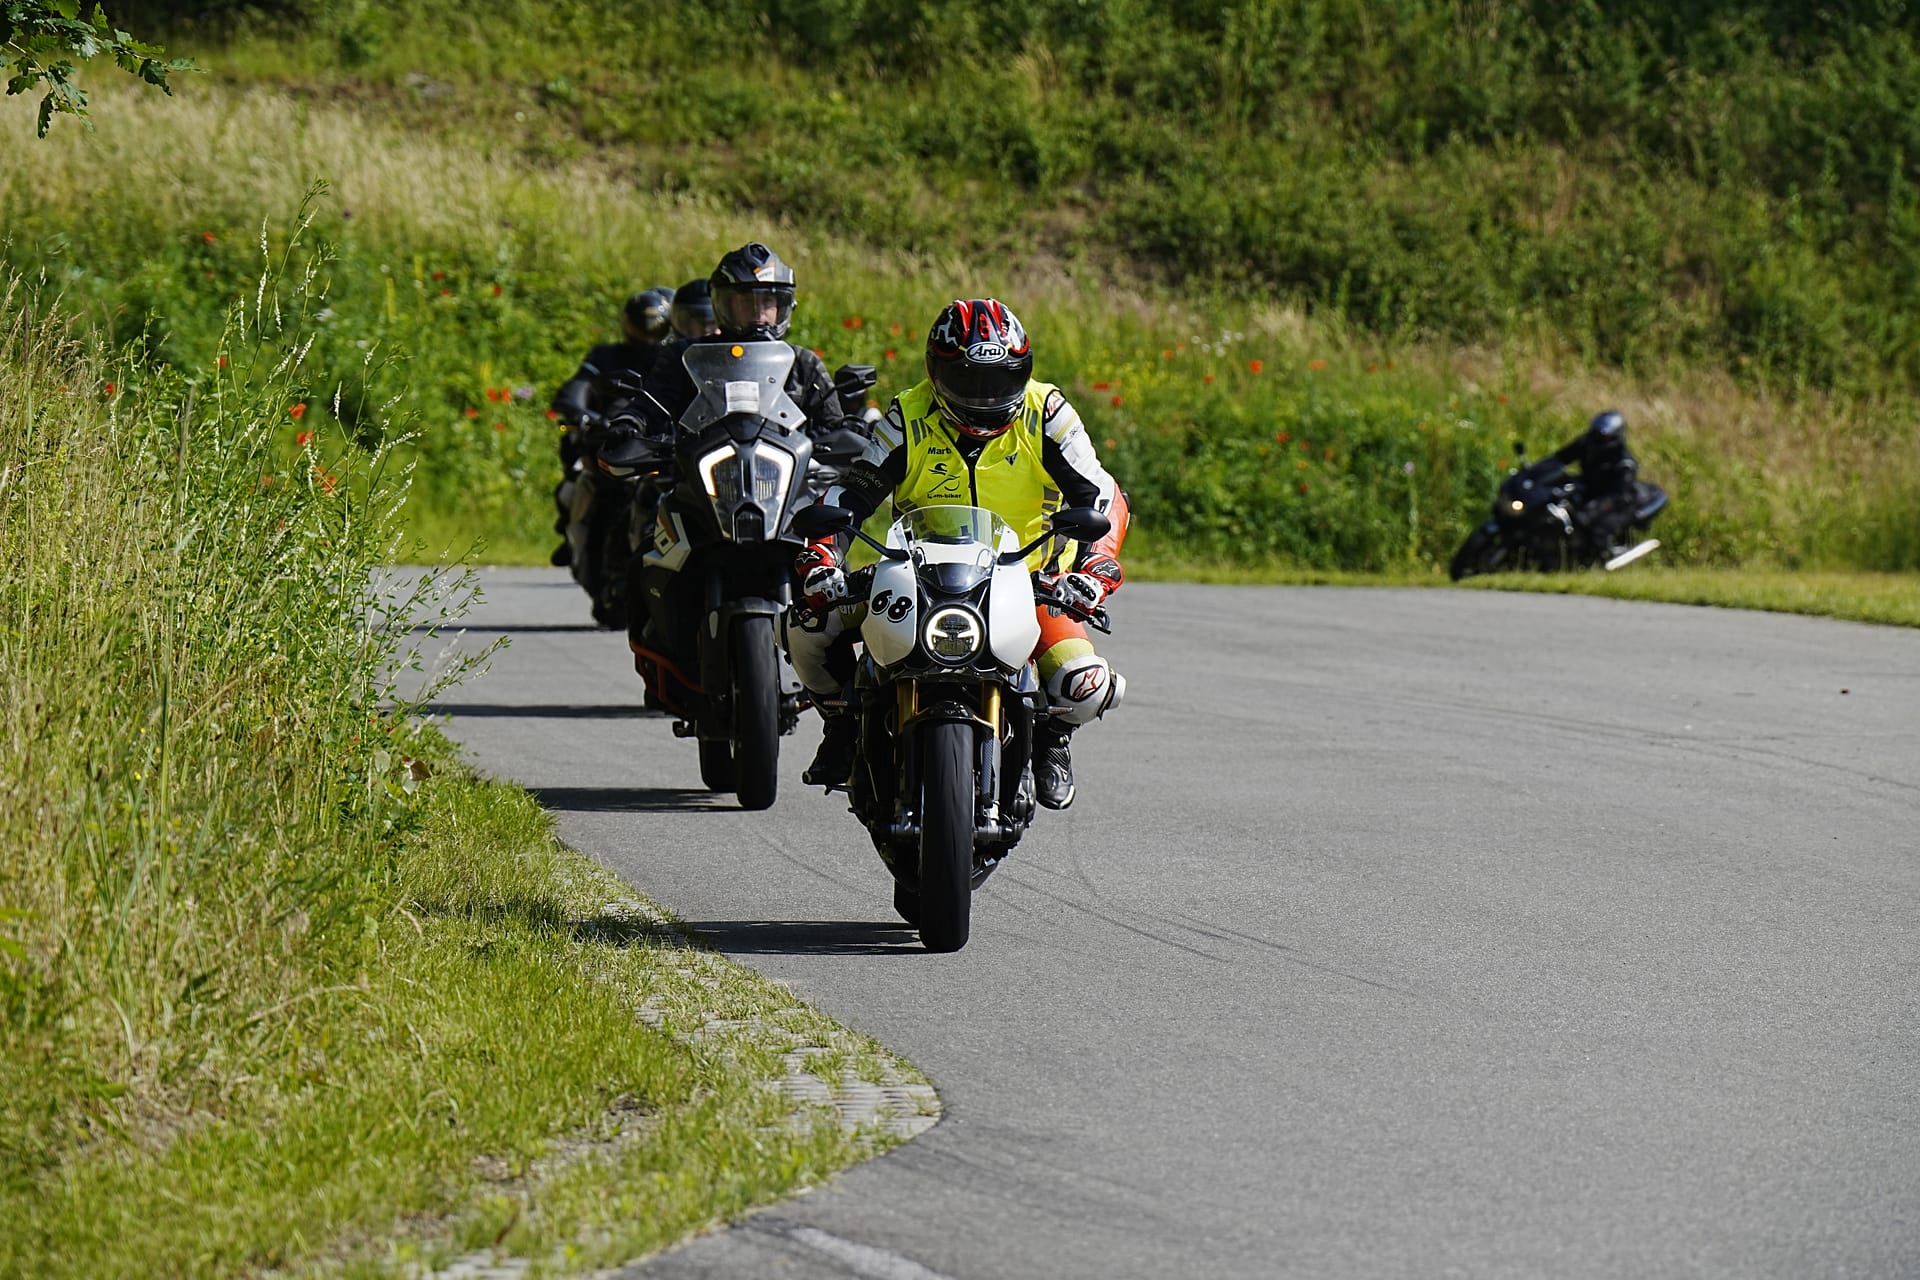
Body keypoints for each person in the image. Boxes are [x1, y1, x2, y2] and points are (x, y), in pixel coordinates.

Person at [783, 297, 1130, 810]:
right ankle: (841, 726)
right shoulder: (907, 415)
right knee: (803, 629)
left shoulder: (1047, 412)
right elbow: (850, 494)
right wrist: (823, 556)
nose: (988, 398)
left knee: (1087, 684)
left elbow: (1102, 495)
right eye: (972, 383)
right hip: (915, 576)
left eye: (1002, 381)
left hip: (1025, 581)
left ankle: (1051, 740)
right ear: (935, 372)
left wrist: (1094, 568)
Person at [630, 243, 854, 441]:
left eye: (767, 302)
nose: (758, 313)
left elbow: (832, 426)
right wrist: (629, 422)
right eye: (747, 302)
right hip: (697, 476)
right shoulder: (684, 356)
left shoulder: (803, 364)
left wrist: (849, 430)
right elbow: (649, 408)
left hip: (787, 480)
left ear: (783, 306)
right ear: (724, 305)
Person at [548, 286, 678, 565]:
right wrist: (581, 412)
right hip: (611, 438)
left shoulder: (675, 358)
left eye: (654, 328)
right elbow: (578, 387)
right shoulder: (606, 356)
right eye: (641, 327)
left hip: (661, 442)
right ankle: (570, 535)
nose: (647, 336)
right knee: (573, 482)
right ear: (628, 324)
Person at [1538, 409, 1656, 556]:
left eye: (1603, 437)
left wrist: (1591, 512)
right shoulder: (1586, 443)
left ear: (1615, 436)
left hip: (1617, 503)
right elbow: (1559, 459)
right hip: (1589, 490)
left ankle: (1601, 559)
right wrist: (1534, 473)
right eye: (1596, 434)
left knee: (1597, 529)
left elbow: (1617, 496)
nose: (1598, 440)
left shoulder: (1624, 463)